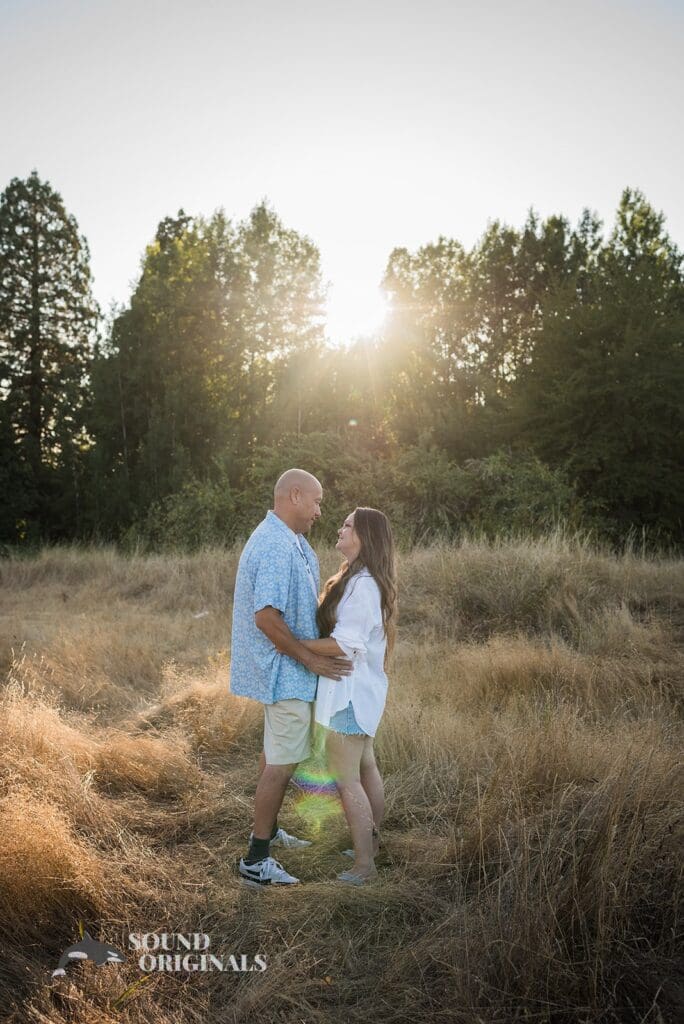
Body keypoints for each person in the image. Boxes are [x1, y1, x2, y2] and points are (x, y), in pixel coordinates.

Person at [230, 469, 352, 888]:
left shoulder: (292, 541)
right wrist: (310, 659)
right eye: (316, 501)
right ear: (294, 496)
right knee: (281, 764)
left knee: (273, 755)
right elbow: (266, 617)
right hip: (283, 674)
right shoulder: (276, 544)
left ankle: (270, 830)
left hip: (288, 673)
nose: (320, 511)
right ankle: (256, 858)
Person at [300, 507, 397, 885]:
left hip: (349, 696)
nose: (339, 529)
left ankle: (363, 867)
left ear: (364, 537)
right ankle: (369, 848)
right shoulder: (360, 579)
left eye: (348, 525)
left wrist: (295, 645)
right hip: (361, 693)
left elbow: (344, 644)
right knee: (365, 767)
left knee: (346, 778)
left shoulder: (364, 586)